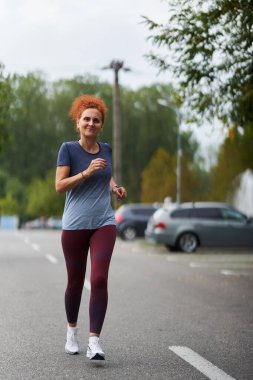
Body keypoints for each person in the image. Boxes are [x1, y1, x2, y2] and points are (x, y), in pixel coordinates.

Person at [55, 94, 127, 360]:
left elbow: (105, 175)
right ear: (78, 122)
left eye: (96, 120)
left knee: (98, 279)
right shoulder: (68, 149)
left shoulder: (106, 149)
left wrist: (115, 187)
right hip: (74, 225)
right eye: (86, 119)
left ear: (101, 125)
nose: (91, 124)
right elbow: (59, 186)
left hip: (103, 223)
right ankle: (71, 333)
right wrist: (86, 172)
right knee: (75, 283)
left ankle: (94, 340)